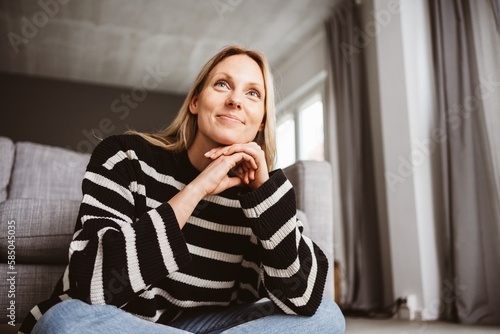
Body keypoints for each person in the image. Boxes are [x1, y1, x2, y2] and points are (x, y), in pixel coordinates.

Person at [19, 46, 345, 334]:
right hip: (117, 321)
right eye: (222, 85)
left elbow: (301, 298)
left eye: (253, 94)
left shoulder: (262, 194)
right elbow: (92, 281)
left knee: (327, 316)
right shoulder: (126, 157)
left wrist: (265, 197)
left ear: (261, 122)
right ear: (195, 101)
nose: (234, 100)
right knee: (65, 322)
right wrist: (197, 189)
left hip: (208, 324)